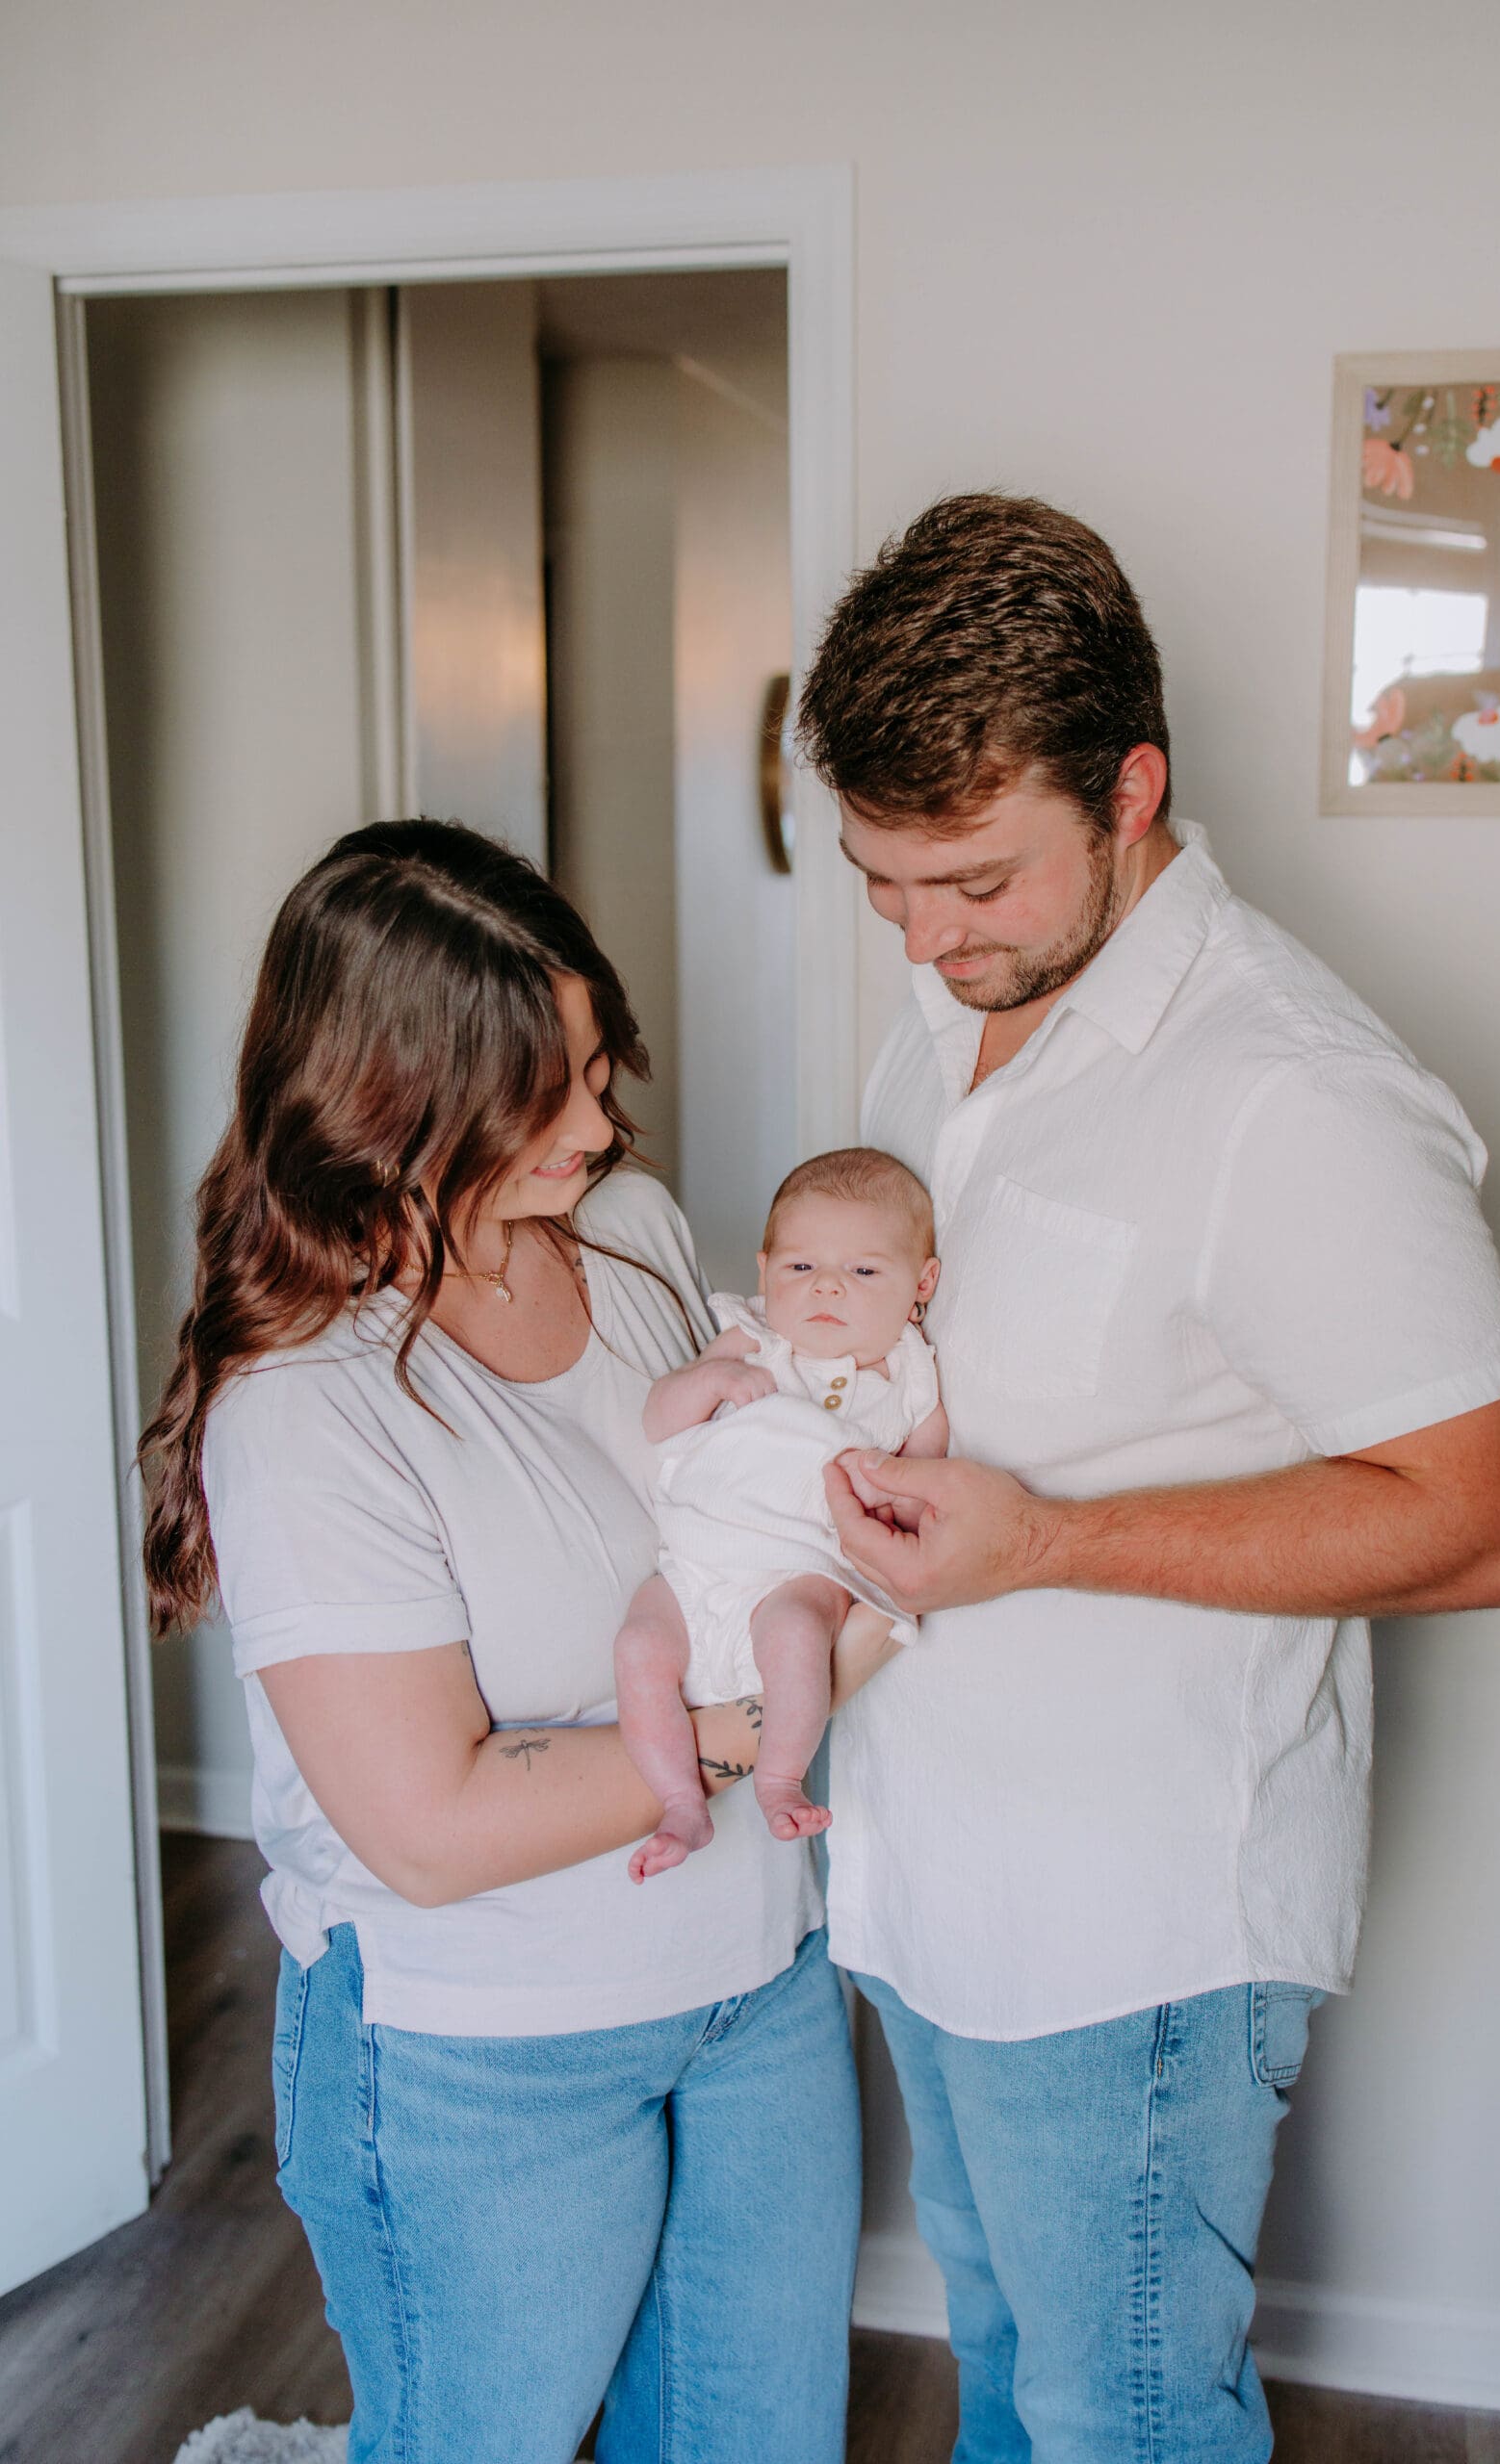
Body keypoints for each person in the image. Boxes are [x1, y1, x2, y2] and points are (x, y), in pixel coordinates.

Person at [797, 494, 1500, 2463]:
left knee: (1123, 2418)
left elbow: (1483, 1517)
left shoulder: (1290, 1091)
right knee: (1004, 2379)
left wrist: (1048, 1539)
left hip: (1130, 1930)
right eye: (885, 884)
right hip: (929, 1871)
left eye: (968, 876)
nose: (925, 930)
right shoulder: (941, 1013)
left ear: (1130, 787)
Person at [139, 820, 869, 2464]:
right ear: (394, 1100)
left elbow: (740, 1511)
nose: (601, 1123)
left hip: (753, 1988)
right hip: (480, 2058)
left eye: (600, 1068)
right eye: (547, 1090)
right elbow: (436, 1828)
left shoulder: (635, 1240)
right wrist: (766, 1718)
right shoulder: (311, 1402)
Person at [618, 1146, 944, 1880]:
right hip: (695, 1561)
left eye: (863, 1272)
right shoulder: (755, 1336)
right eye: (801, 1269)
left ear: (920, 1285)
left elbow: (926, 1477)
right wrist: (715, 1378)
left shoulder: (909, 1371)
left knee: (797, 1637)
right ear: (765, 1273)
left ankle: (777, 1780)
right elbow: (658, 1418)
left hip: (803, 1566)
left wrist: (895, 1502)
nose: (827, 1287)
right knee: (640, 1648)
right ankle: (678, 1803)